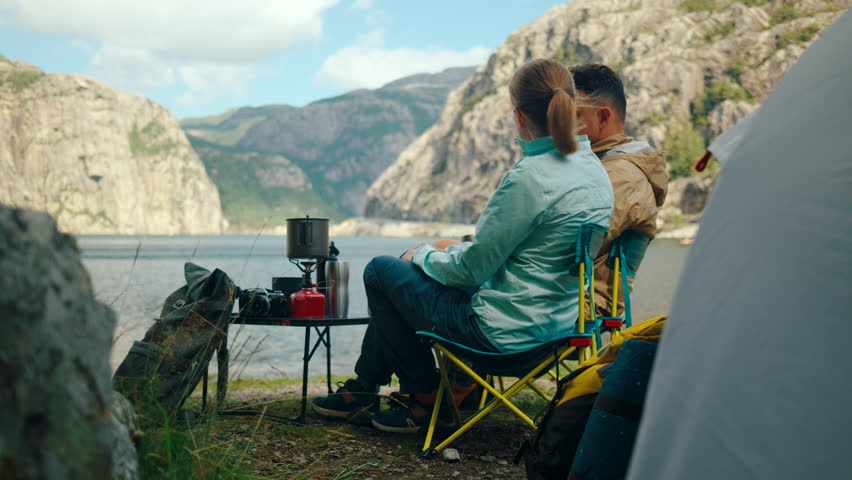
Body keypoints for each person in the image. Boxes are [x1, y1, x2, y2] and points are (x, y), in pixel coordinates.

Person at [312, 58, 614, 433]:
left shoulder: (531, 178)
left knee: (381, 271)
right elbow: (512, 259)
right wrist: (441, 257)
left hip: (501, 339)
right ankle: (365, 387)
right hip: (558, 332)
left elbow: (472, 270)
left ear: (519, 116)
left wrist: (423, 255)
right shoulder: (596, 174)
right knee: (403, 281)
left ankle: (420, 399)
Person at [569, 64, 668, 319]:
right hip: (567, 295)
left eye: (573, 116)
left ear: (603, 117)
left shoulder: (621, 177)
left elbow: (563, 247)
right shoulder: (604, 165)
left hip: (580, 303)